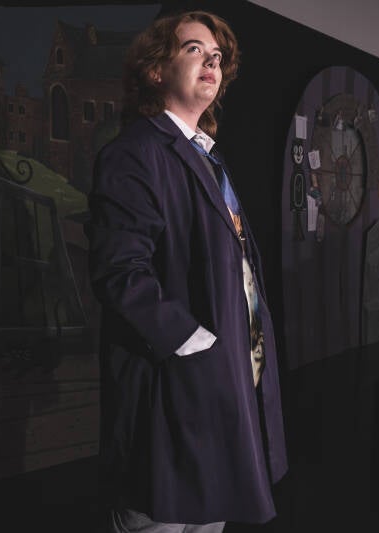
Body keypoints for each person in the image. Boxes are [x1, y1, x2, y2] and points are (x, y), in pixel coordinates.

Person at [86, 10, 288, 532]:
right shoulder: (135, 153)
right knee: (161, 514)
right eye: (195, 49)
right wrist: (193, 342)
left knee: (209, 516)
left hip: (220, 388)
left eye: (217, 57)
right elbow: (119, 271)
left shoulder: (206, 158)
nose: (211, 63)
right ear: (156, 70)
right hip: (171, 394)